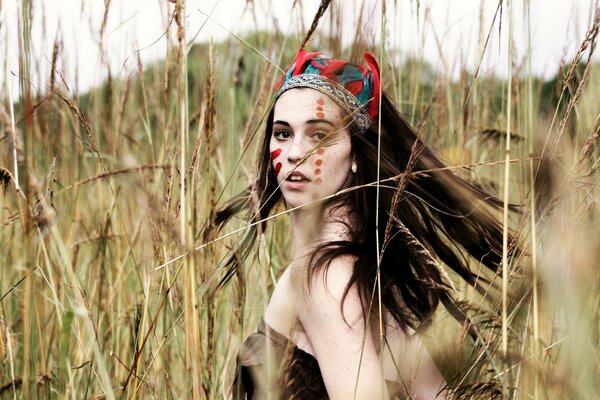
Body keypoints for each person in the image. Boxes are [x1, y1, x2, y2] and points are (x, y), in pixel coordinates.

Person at [216, 49, 514, 399]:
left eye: (319, 136)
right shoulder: (365, 268)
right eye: (282, 134)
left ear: (357, 153)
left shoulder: (323, 277)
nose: (295, 151)